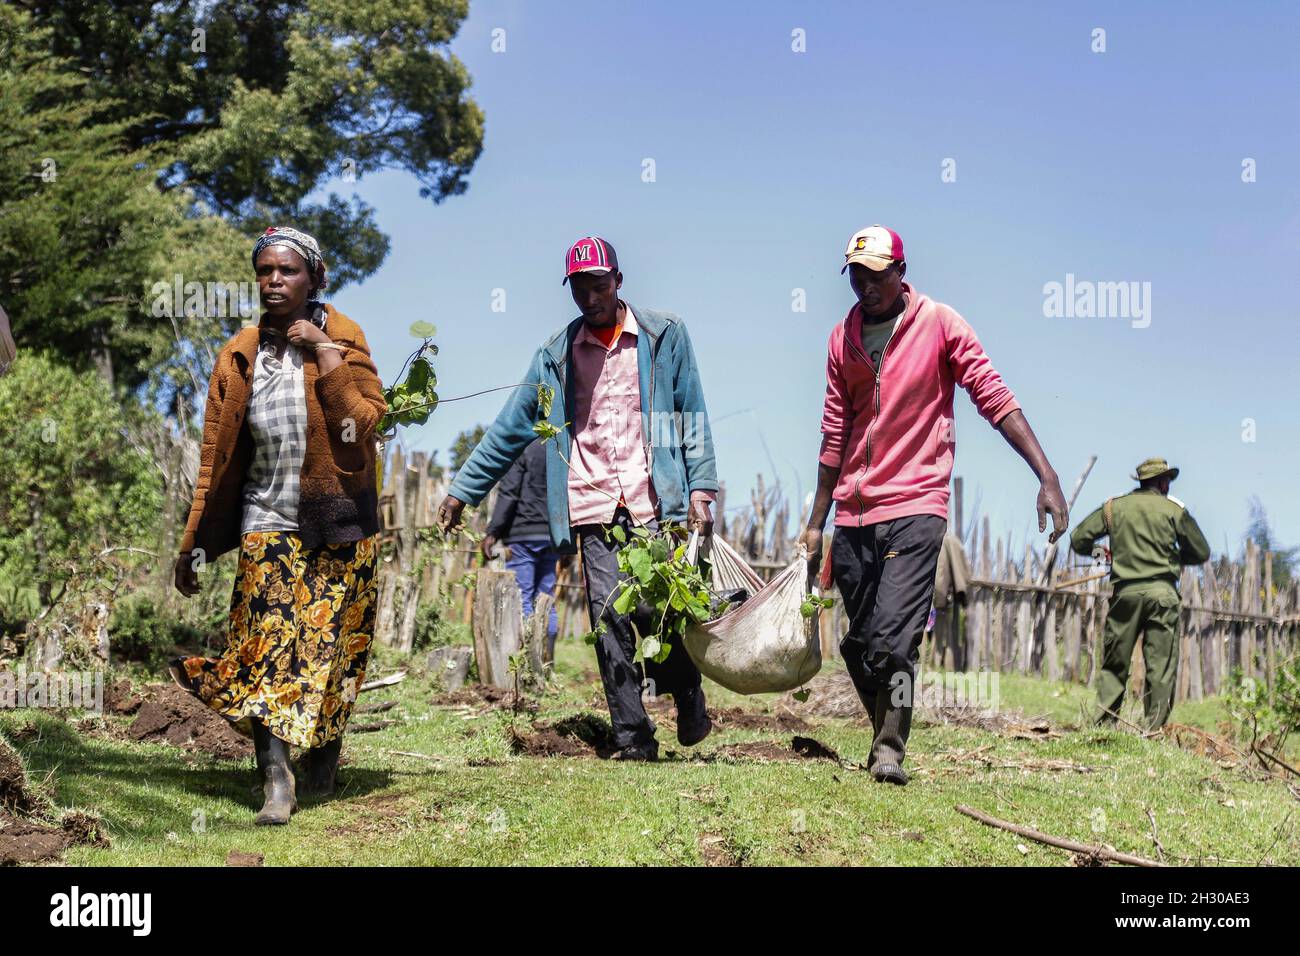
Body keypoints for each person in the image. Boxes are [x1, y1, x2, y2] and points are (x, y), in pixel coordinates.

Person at [800, 225, 1068, 785]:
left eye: (876, 275)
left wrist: (1045, 474)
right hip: (853, 511)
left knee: (894, 640)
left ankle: (891, 748)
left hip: (917, 503)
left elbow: (993, 395)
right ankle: (882, 733)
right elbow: (833, 429)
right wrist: (816, 520)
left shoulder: (939, 324)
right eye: (856, 275)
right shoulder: (840, 339)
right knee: (859, 643)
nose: (866, 286)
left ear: (901, 272)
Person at [437, 236, 718, 761]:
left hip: (654, 500)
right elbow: (511, 428)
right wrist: (462, 490)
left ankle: (687, 695)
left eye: (599, 284)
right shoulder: (554, 355)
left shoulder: (664, 336)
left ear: (618, 281)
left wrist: (701, 486)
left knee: (659, 611)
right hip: (592, 501)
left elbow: (692, 413)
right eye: (580, 288)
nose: (590, 297)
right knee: (609, 614)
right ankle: (633, 737)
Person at [170, 226, 387, 824]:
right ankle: (275, 778)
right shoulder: (241, 352)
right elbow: (214, 455)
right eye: (264, 271)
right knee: (263, 646)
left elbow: (366, 424)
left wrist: (324, 352)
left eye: (287, 271)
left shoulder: (345, 337)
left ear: (315, 277)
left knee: (333, 649)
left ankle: (323, 755)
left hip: (340, 520)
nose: (273, 281)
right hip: (266, 519)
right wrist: (193, 543)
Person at [1070, 457, 1210, 729]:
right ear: (1162, 482)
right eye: (1167, 480)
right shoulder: (1174, 510)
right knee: (1160, 665)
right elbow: (1201, 551)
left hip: (1126, 593)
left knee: (1115, 661)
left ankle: (1102, 724)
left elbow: (1079, 540)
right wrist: (1174, 559)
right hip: (1163, 594)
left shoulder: (1114, 507)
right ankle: (1153, 729)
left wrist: (1104, 555)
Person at [483, 439, 562, 658]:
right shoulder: (563, 447)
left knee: (522, 598)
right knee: (546, 599)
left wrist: (493, 532)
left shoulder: (522, 447)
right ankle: (546, 660)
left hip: (524, 534)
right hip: (554, 534)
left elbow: (509, 492)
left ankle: (526, 661)